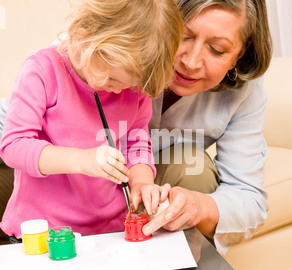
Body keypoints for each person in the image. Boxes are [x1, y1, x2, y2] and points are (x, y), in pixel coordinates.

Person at [0, 0, 183, 241]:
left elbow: (136, 143)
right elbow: (13, 147)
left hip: (111, 232)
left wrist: (142, 182)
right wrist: (83, 159)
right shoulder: (42, 71)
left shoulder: (133, 88)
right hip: (44, 233)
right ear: (85, 37)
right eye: (112, 79)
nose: (119, 92)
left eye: (131, 84)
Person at [142, 0, 273, 255]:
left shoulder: (246, 91)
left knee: (192, 166)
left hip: (158, 199)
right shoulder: (105, 51)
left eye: (217, 49)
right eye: (183, 35)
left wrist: (198, 207)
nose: (191, 62)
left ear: (241, 53)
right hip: (85, 183)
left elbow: (249, 200)